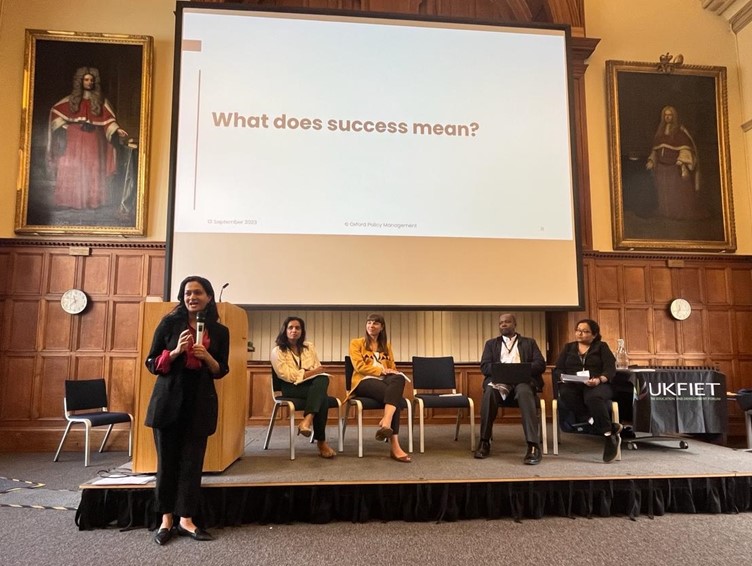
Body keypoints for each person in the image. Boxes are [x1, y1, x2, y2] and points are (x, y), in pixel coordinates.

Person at [144, 276, 229, 545]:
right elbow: (151, 362)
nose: (192, 297)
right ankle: (166, 519)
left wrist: (209, 358)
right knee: (167, 463)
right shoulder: (169, 324)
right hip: (168, 401)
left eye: (198, 293)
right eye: (187, 293)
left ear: (209, 297)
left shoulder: (219, 331)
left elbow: (221, 370)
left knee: (193, 464)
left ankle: (186, 519)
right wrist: (176, 351)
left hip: (200, 402)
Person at [48, 66, 128, 210]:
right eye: (86, 79)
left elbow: (108, 119)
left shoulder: (101, 101)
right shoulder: (70, 100)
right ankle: (70, 200)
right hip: (74, 139)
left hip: (94, 139)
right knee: (74, 168)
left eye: (91, 80)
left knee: (92, 167)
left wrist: (117, 129)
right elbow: (56, 112)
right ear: (80, 81)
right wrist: (69, 127)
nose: (89, 82)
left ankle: (91, 200)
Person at [476, 313, 546, 464]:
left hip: (523, 382)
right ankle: (484, 441)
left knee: (525, 392)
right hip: (500, 382)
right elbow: (484, 366)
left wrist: (521, 370)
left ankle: (533, 445)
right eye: (501, 323)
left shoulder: (529, 343)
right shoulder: (491, 344)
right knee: (489, 392)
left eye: (507, 322)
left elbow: (540, 364)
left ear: (515, 324)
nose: (503, 325)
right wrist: (501, 370)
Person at [553, 318, 622, 463]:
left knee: (593, 398)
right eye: (578, 331)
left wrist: (599, 379)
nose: (580, 334)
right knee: (565, 394)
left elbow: (610, 369)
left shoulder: (601, 347)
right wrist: (562, 376)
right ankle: (600, 425)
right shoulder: (568, 347)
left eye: (585, 332)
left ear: (594, 334)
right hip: (574, 384)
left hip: (597, 384)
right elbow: (558, 368)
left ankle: (608, 436)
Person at [270, 316, 337, 459]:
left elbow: (319, 368)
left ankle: (307, 420)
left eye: (297, 328)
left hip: (309, 386)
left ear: (302, 331)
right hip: (289, 388)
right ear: (285, 330)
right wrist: (311, 373)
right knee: (322, 397)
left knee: (323, 379)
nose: (294, 330)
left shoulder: (309, 347)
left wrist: (312, 373)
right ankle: (321, 443)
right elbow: (287, 375)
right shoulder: (277, 351)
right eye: (290, 327)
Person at [348, 313, 411, 463]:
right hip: (364, 381)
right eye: (369, 323)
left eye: (375, 323)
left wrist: (392, 371)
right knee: (395, 400)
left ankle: (386, 421)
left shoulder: (386, 346)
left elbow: (392, 366)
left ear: (382, 327)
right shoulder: (356, 343)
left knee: (399, 378)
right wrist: (381, 371)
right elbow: (359, 366)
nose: (371, 326)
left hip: (384, 381)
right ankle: (395, 445)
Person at [645, 105, 703, 220]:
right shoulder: (660, 131)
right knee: (663, 191)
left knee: (675, 192)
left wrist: (682, 163)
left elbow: (685, 148)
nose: (668, 117)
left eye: (670, 115)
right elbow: (655, 150)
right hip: (661, 167)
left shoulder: (679, 131)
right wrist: (652, 160)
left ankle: (677, 214)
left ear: (674, 116)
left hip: (674, 168)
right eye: (666, 115)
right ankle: (665, 212)